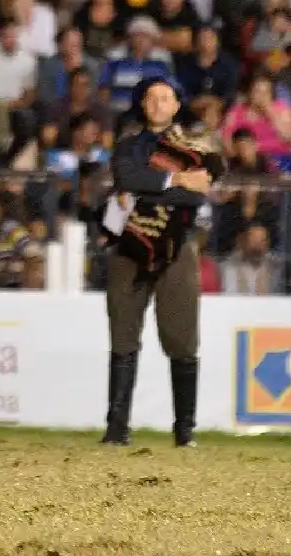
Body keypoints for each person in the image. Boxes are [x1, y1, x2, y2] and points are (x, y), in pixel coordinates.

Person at [102, 77, 215, 448]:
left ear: (177, 105)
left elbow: (196, 196)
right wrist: (177, 179)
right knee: (123, 331)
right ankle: (117, 426)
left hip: (176, 245)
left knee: (181, 336)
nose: (158, 103)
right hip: (131, 244)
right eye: (151, 97)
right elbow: (126, 176)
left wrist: (151, 190)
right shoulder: (129, 146)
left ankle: (185, 428)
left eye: (166, 97)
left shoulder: (194, 147)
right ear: (143, 104)